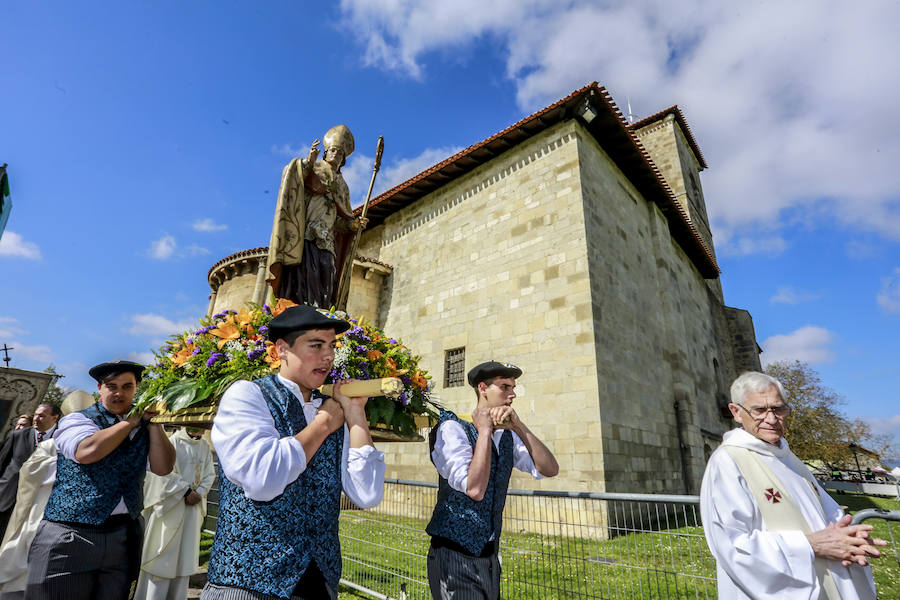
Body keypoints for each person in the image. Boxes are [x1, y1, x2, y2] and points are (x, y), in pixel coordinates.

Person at [201, 305, 385, 600]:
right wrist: (324, 423)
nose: (328, 356)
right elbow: (264, 479)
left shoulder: (335, 407)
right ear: (282, 350)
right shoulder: (248, 395)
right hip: (248, 584)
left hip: (319, 584)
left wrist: (356, 415)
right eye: (316, 345)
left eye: (332, 347)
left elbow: (367, 493)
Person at [700, 371, 886, 600]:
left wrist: (850, 538)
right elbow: (733, 545)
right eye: (759, 410)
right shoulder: (727, 462)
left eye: (778, 409)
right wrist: (809, 545)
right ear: (736, 412)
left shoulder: (789, 458)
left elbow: (828, 515)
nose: (771, 419)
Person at [25, 360, 176, 600]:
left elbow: (163, 467)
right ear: (99, 388)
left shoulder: (144, 428)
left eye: (127, 387)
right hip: (71, 534)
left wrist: (154, 424)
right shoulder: (77, 420)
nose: (119, 393)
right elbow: (87, 452)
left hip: (123, 536)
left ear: (137, 389)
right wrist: (131, 422)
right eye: (112, 386)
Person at [425, 361, 559, 600]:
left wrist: (519, 426)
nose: (512, 394)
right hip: (455, 555)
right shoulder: (453, 429)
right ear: (482, 388)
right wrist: (485, 432)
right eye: (504, 387)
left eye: (513, 387)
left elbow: (549, 468)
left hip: (489, 557)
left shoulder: (508, 436)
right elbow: (474, 489)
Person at [0, 392, 94, 600]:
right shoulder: (51, 445)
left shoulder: (98, 446)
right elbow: (29, 470)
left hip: (74, 517)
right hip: (38, 508)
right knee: (26, 551)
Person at [266, 124, 367, 308]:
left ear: (344, 159)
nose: (336, 155)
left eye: (340, 153)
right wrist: (308, 161)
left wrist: (352, 226)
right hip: (307, 234)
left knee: (326, 278)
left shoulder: (343, 187)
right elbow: (295, 176)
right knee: (305, 277)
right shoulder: (314, 169)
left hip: (327, 240)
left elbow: (339, 219)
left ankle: (320, 313)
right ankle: (300, 312)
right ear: (326, 153)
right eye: (333, 151)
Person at [136, 426, 216, 600]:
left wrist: (200, 493)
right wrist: (186, 492)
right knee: (162, 557)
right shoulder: (172, 442)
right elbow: (162, 473)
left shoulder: (203, 446)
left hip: (191, 510)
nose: (203, 429)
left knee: (184, 559)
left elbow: (210, 473)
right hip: (170, 508)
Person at [0, 403, 61, 538]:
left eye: (41, 416)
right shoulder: (17, 435)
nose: (35, 418)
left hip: (36, 503)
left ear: (54, 417)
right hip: (7, 497)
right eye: (35, 414)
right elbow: (2, 463)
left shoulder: (61, 441)